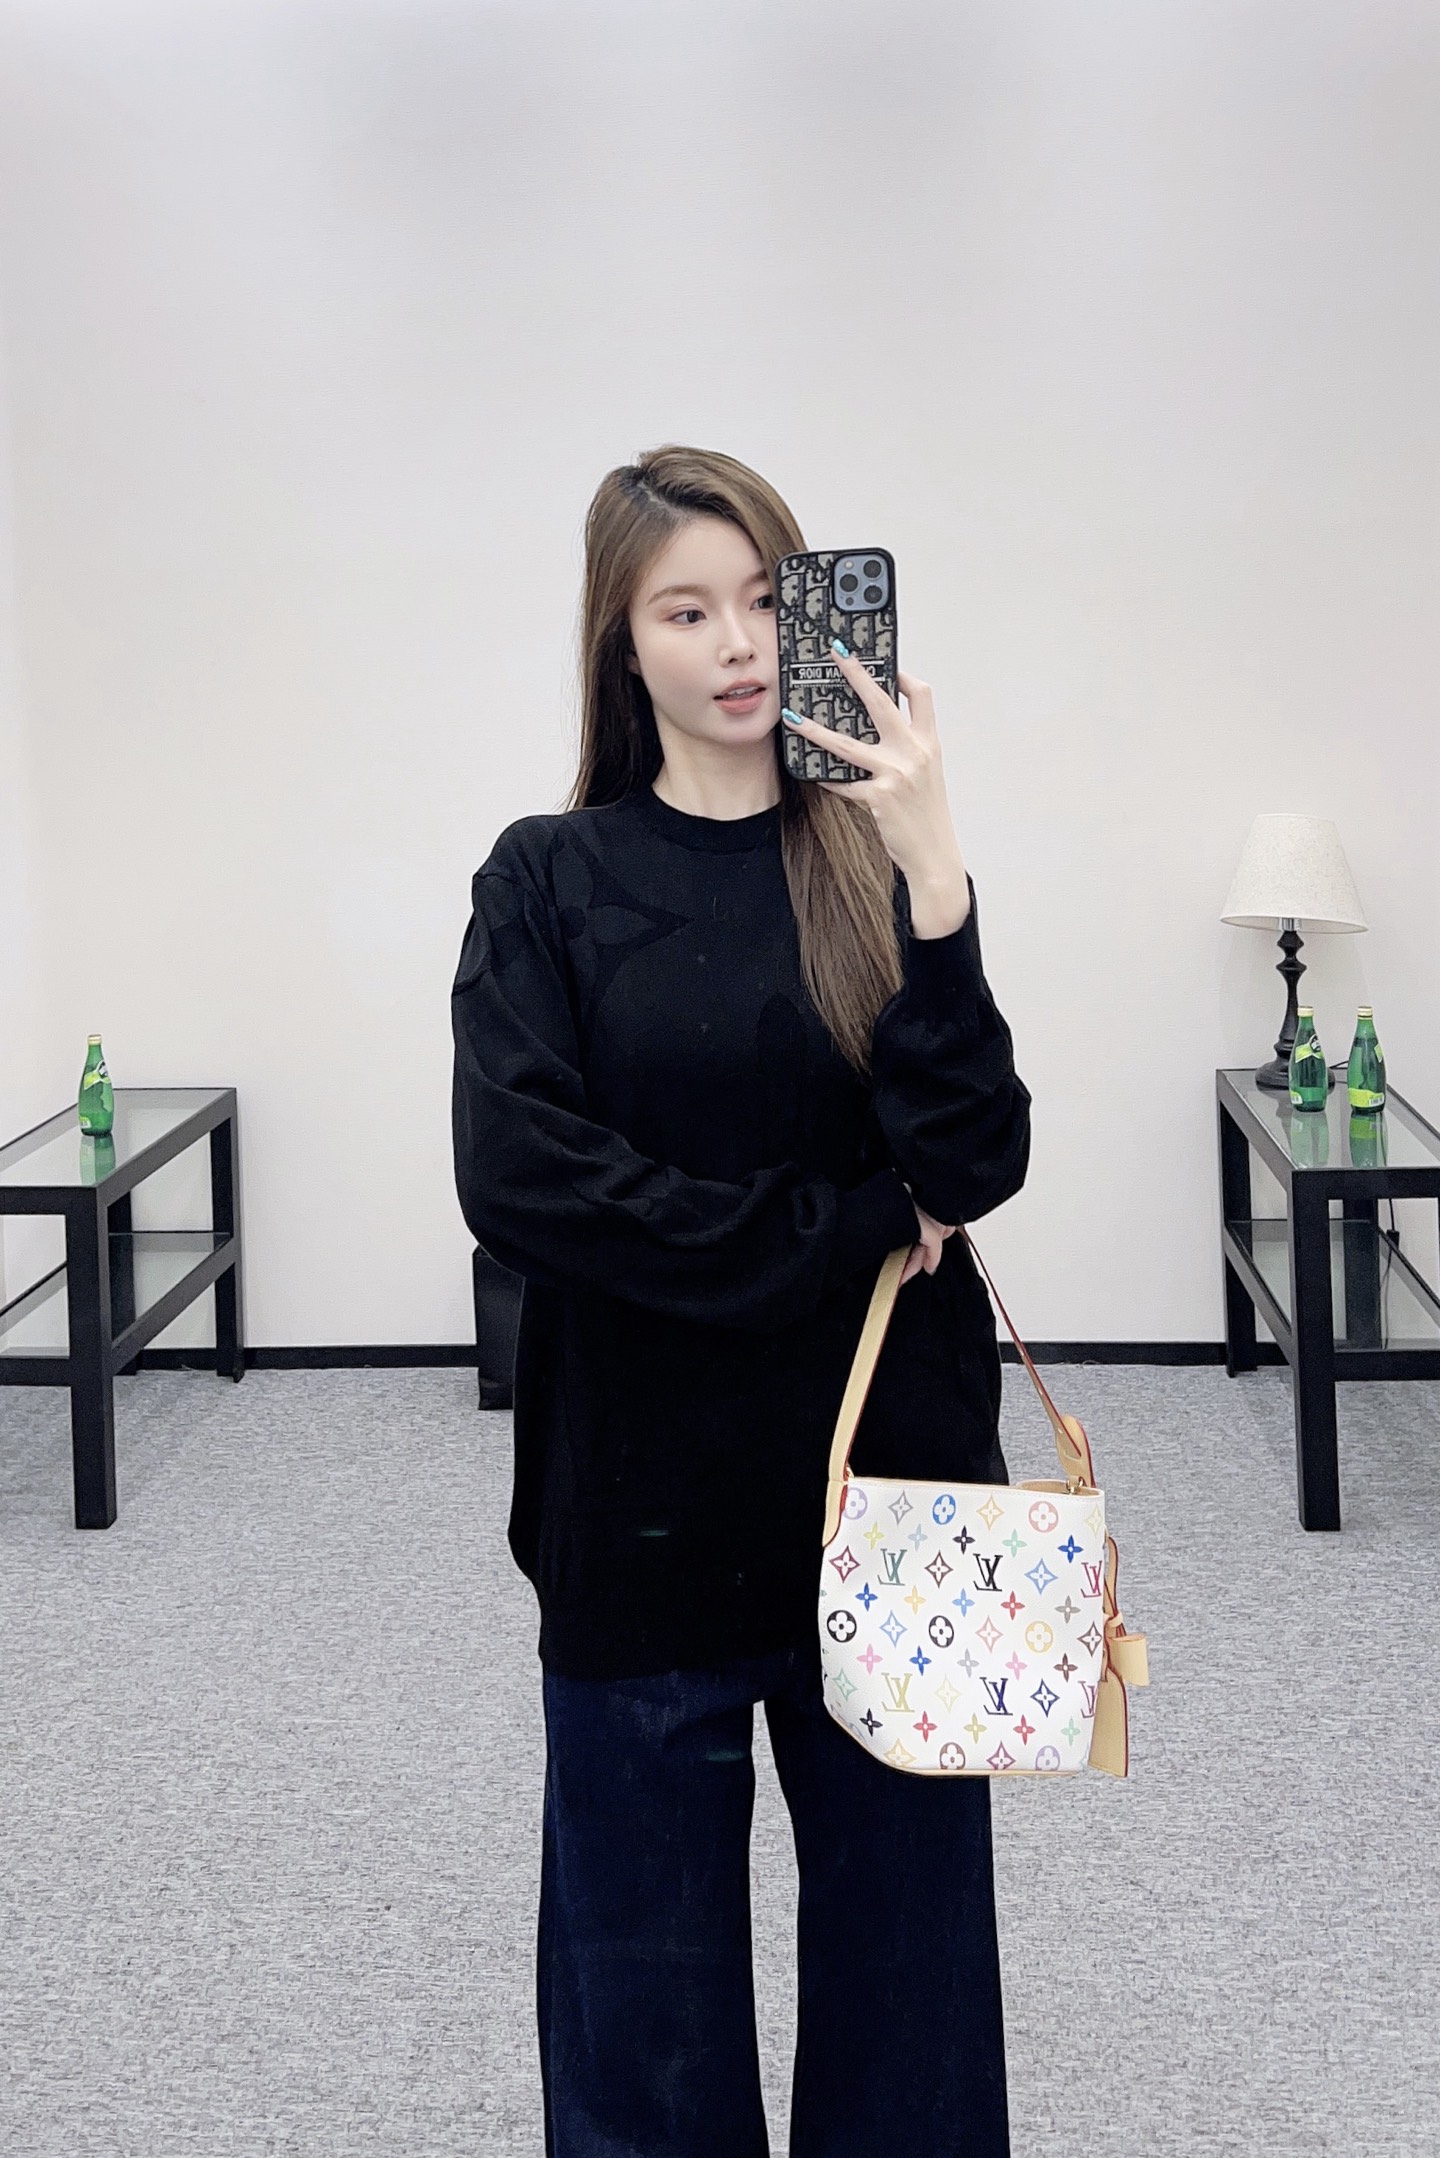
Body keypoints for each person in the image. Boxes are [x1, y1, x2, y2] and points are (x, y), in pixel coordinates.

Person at [450, 444, 1031, 2158]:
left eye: (767, 599)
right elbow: (527, 1183)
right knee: (646, 2045)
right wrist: (851, 1227)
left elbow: (977, 1154)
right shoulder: (547, 878)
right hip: (642, 1519)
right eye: (685, 609)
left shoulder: (871, 866)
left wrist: (937, 876)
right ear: (621, 644)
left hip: (900, 1510)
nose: (738, 643)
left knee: (916, 2037)